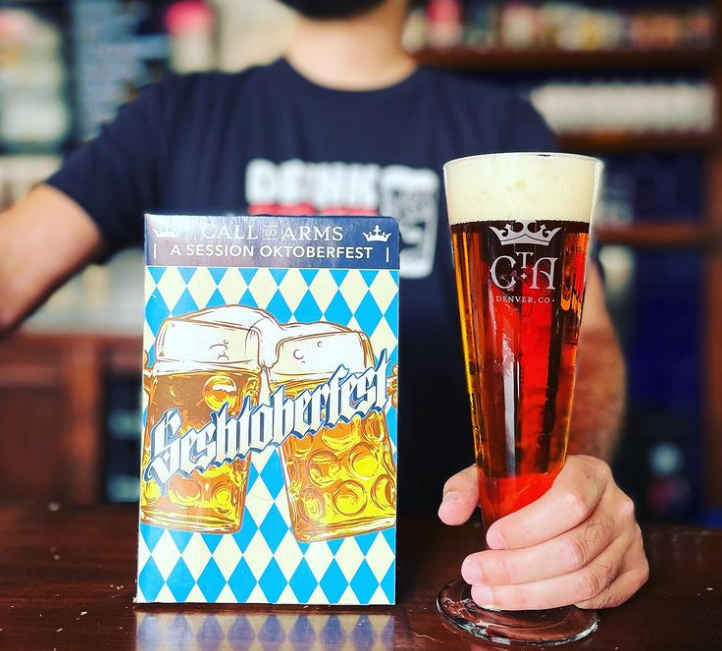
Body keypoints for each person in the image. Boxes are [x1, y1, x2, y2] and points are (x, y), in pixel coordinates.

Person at [0, 0, 647, 610]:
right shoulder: (177, 114)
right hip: (217, 584)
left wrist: (566, 504)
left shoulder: (500, 129)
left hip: (458, 573)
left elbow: (580, 344)